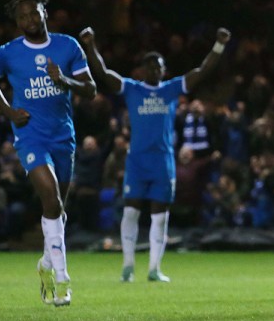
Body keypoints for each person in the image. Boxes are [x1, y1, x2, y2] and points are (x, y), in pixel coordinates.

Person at [79, 26, 231, 282]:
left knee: (160, 217)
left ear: (164, 70)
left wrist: (218, 45)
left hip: (162, 162)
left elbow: (202, 71)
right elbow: (103, 73)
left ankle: (154, 268)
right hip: (137, 162)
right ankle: (127, 266)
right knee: (131, 213)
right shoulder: (132, 88)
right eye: (151, 66)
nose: (156, 71)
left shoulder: (171, 89)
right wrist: (90, 45)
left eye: (159, 67)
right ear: (142, 70)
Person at [0, 0, 98, 306]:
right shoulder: (8, 53)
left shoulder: (67, 46)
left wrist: (65, 82)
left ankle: (45, 263)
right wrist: (8, 112)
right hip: (30, 135)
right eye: (23, 17)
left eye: (34, 13)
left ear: (45, 13)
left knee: (57, 208)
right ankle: (62, 279)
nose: (30, 20)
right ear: (17, 22)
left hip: (63, 136)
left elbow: (91, 91)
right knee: (51, 197)